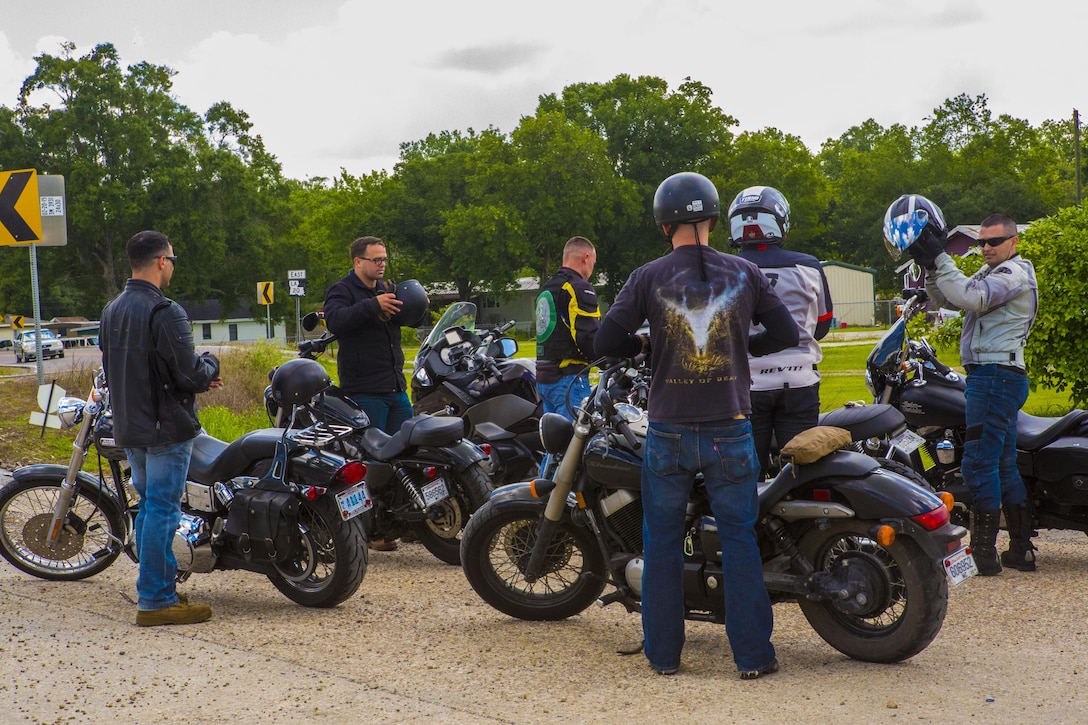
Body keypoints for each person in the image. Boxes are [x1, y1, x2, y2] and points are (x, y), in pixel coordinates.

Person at [595, 172, 799, 678]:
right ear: (712, 219)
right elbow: (786, 331)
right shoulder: (746, 272)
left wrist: (641, 346)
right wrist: (744, 347)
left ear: (665, 225)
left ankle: (663, 657)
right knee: (740, 539)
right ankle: (753, 657)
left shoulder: (647, 276)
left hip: (667, 431)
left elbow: (605, 342)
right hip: (731, 427)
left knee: (660, 542)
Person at [886, 197, 1039, 575]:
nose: (986, 248)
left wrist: (940, 258)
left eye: (995, 241)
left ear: (1013, 241)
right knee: (1003, 464)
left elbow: (971, 299)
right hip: (995, 376)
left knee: (978, 462)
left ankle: (983, 554)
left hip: (994, 378)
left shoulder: (1012, 275)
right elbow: (950, 297)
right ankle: (1021, 550)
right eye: (982, 242)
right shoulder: (994, 272)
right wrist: (929, 266)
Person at [100, 230, 222, 626]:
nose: (171, 266)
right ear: (161, 262)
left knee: (150, 507)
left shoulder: (111, 310)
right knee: (163, 512)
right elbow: (187, 372)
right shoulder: (165, 311)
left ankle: (159, 587)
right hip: (165, 428)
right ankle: (155, 599)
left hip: (130, 426)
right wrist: (210, 367)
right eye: (171, 259)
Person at [323, 235, 427, 552]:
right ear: (358, 262)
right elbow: (336, 321)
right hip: (365, 390)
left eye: (384, 259)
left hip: (396, 387)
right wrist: (372, 306)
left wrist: (417, 307)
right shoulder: (342, 291)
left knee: (407, 455)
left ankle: (409, 522)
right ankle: (374, 531)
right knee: (373, 464)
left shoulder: (387, 289)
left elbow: (411, 320)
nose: (382, 265)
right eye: (376, 259)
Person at [729, 186, 833, 479]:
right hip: (798, 380)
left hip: (747, 384)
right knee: (801, 473)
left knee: (746, 476)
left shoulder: (725, 268)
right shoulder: (808, 265)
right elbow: (822, 325)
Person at [534, 236, 601, 421]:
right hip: (569, 381)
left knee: (554, 443)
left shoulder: (547, 288)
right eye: (593, 263)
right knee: (574, 446)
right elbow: (589, 338)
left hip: (544, 380)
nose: (591, 270)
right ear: (586, 257)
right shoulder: (578, 288)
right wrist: (615, 357)